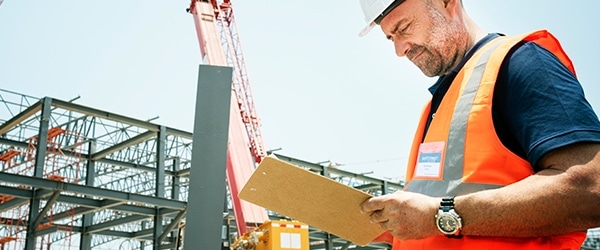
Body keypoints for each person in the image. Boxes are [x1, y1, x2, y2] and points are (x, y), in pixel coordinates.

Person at [356, 0, 600, 249]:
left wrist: (437, 217)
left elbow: (591, 190)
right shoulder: (436, 106)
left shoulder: (522, 64)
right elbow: (439, 205)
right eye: (390, 38)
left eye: (404, 27)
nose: (399, 50)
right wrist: (395, 226)